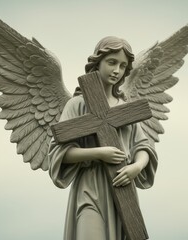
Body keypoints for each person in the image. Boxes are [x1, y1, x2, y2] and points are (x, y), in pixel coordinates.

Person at [48, 36, 158, 240]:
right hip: (90, 189)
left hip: (123, 187)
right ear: (97, 63)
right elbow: (59, 152)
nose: (117, 70)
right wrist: (100, 153)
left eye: (123, 66)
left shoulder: (126, 109)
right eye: (112, 62)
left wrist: (136, 167)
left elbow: (143, 146)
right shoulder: (78, 105)